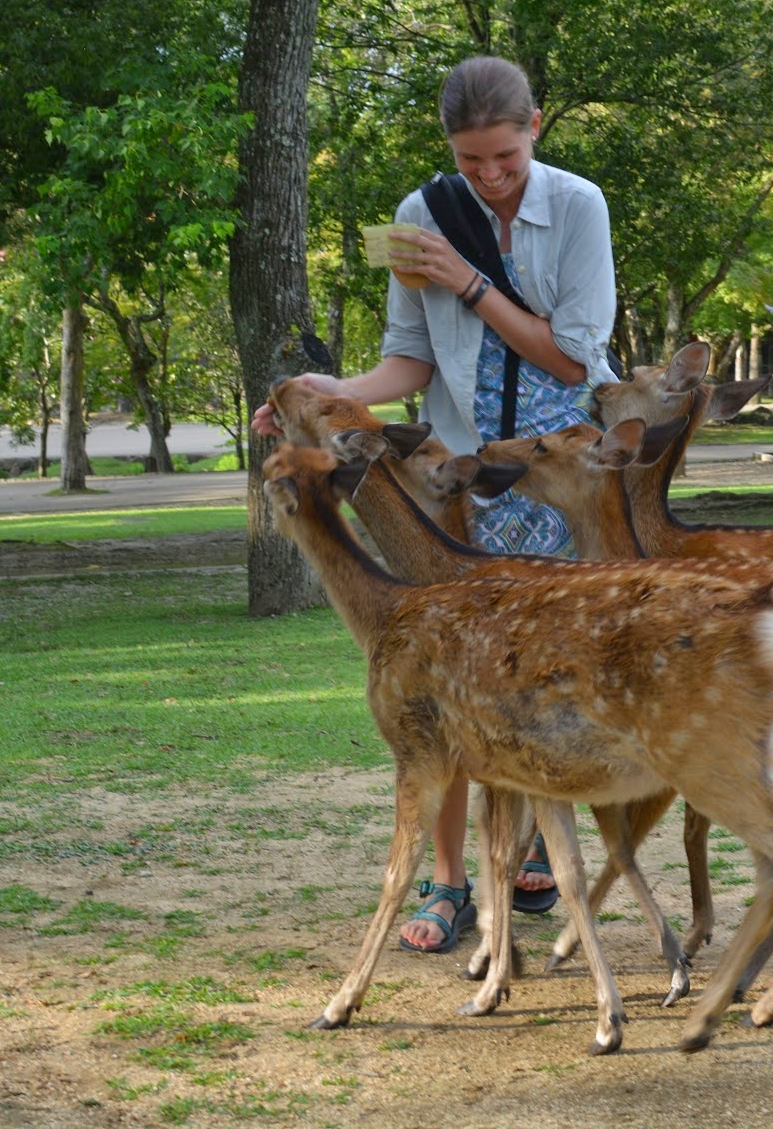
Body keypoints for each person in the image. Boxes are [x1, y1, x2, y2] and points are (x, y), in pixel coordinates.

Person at [252, 55, 618, 952]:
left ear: (535, 126)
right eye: (470, 160)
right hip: (458, 482)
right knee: (440, 681)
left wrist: (468, 280)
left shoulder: (580, 206)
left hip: (557, 479)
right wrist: (324, 391)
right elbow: (407, 361)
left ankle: (533, 845)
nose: (489, 175)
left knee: (550, 676)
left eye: (505, 157)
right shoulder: (418, 214)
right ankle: (448, 881)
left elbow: (573, 359)